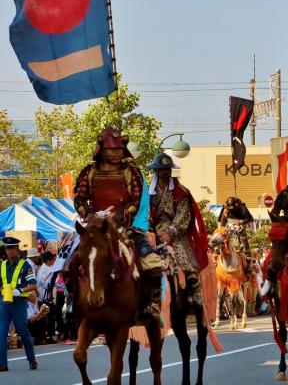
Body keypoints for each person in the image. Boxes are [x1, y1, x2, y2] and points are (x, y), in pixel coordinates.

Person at [74, 127, 164, 318]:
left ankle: (151, 307)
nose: (116, 153)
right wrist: (89, 215)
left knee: (153, 263)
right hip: (94, 227)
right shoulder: (89, 172)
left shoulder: (130, 171)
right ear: (102, 150)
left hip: (125, 228)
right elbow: (79, 199)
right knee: (67, 265)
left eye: (118, 149)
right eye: (112, 149)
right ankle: (72, 305)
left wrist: (120, 215)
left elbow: (136, 199)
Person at [147, 153, 209, 306]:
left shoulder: (181, 191)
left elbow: (183, 216)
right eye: (162, 169)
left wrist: (170, 233)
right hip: (153, 231)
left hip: (175, 231)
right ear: (156, 171)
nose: (165, 172)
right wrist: (150, 230)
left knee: (183, 256)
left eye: (168, 169)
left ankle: (195, 289)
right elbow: (144, 211)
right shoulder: (148, 192)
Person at [0, 237, 38, 371]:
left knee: (23, 332)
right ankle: (2, 364)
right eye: (7, 248)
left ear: (17, 249)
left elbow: (33, 284)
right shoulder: (2, 265)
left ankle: (31, 358)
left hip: (18, 303)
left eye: (12, 248)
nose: (9, 251)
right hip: (4, 303)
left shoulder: (25, 265)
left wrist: (20, 290)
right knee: (1, 333)